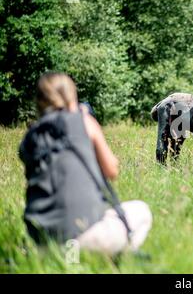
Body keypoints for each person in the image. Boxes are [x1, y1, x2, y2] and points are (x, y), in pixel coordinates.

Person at [19, 72, 152, 255]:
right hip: (83, 240)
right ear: (71, 96)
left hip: (41, 243)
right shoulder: (84, 121)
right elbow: (111, 170)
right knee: (142, 211)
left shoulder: (29, 137)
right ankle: (114, 260)